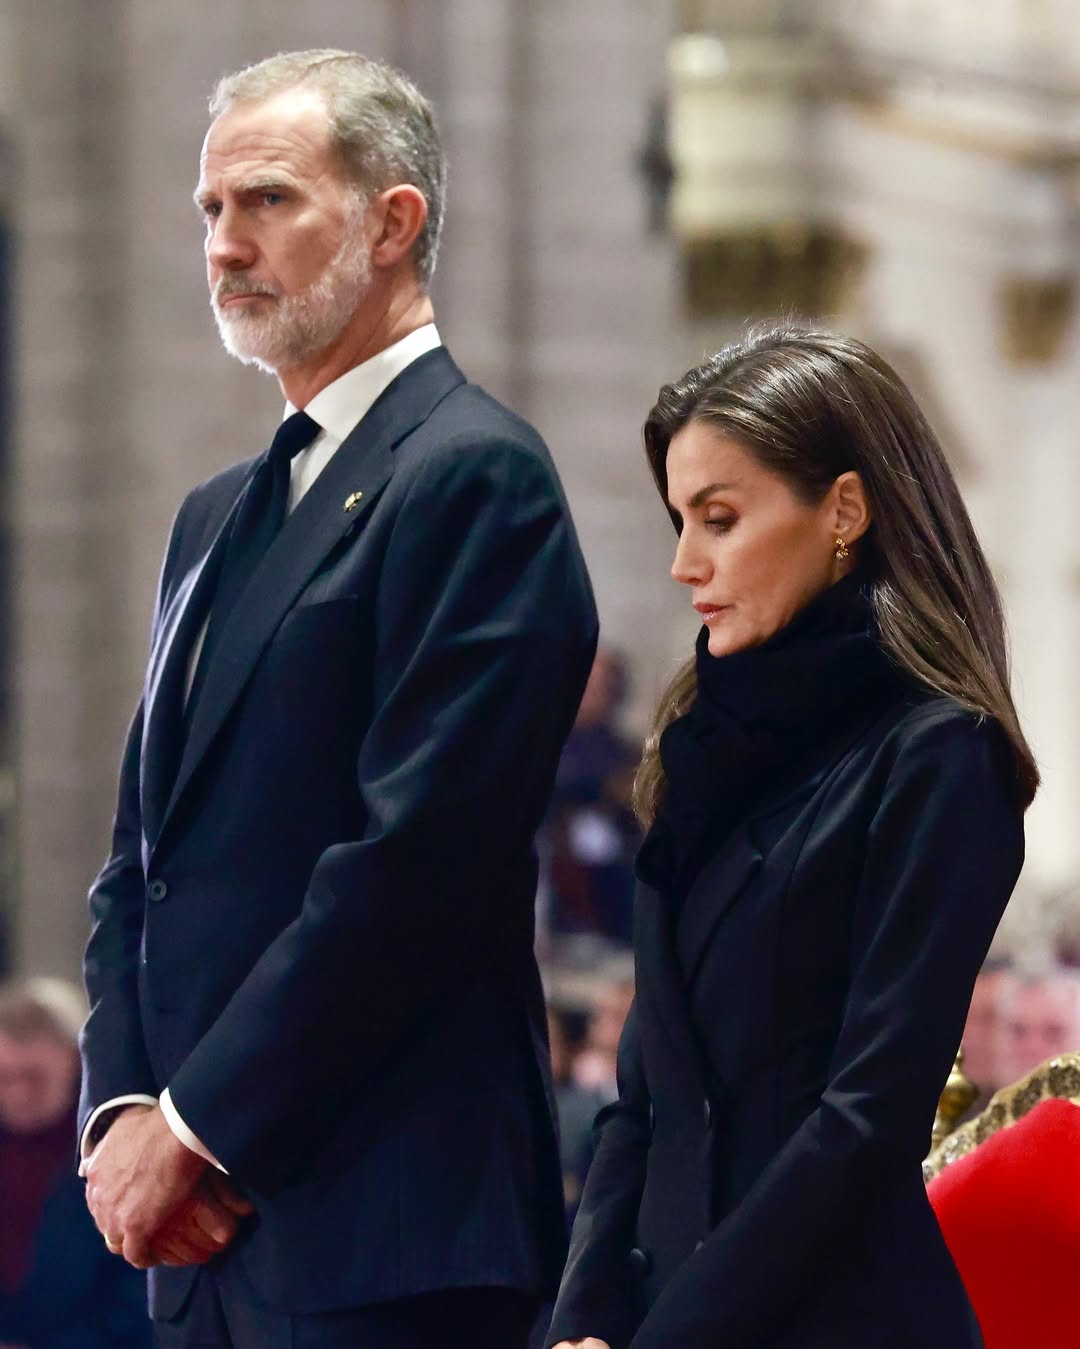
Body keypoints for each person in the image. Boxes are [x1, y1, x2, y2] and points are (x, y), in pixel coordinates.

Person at [77, 48, 597, 1349]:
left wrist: (194, 1127)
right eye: (210, 211)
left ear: (391, 222)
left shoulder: (475, 476)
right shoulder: (215, 514)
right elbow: (142, 861)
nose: (225, 244)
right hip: (202, 1242)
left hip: (384, 1224)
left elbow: (414, 862)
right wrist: (118, 1114)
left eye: (267, 202)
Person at [546, 323, 1037, 1349]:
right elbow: (645, 1095)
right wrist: (588, 1316)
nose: (685, 563)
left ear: (844, 511)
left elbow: (864, 1117)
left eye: (719, 518)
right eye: (680, 519)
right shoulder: (700, 746)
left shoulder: (941, 754)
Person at [0, 978, 150, 1349]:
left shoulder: (119, 1153)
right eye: (4, 1079)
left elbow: (139, 1298)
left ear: (74, 1064)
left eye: (33, 1078)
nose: (19, 1094)